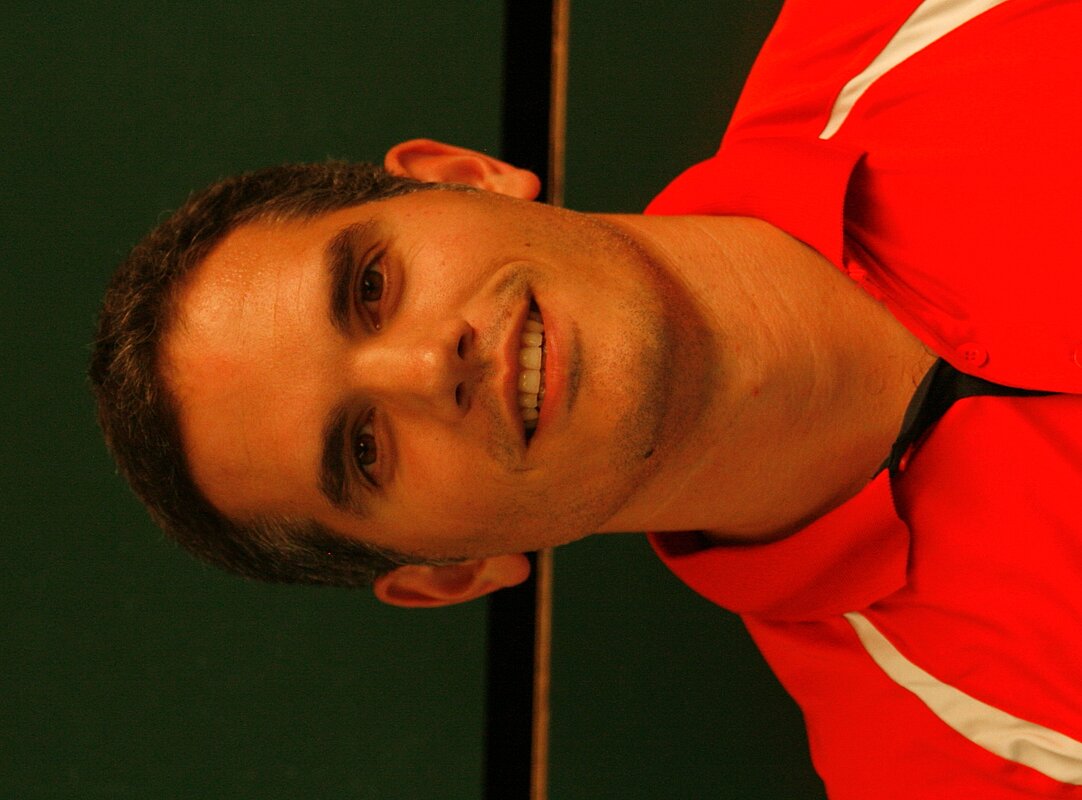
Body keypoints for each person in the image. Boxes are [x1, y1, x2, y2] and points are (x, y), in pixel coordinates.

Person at [90, 0, 1082, 795]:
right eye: (362, 450)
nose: (428, 367)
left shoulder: (931, 16)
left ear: (463, 176)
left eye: (370, 287)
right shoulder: (950, 768)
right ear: (452, 573)